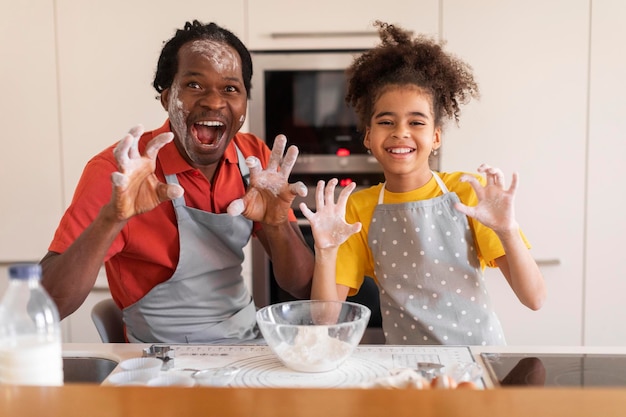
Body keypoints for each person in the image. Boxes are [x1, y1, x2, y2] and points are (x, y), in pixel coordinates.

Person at [40, 20, 314, 344]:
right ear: (168, 97)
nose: (214, 102)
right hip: (161, 362)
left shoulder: (254, 161)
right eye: (195, 85)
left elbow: (302, 286)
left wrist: (278, 223)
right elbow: (47, 306)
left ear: (243, 106)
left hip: (247, 347)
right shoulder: (120, 172)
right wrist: (112, 218)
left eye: (230, 88)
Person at [301, 21, 546, 346]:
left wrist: (507, 230)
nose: (401, 132)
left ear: (435, 137)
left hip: (479, 362)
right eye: (386, 121)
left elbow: (535, 299)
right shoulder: (359, 209)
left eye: (416, 122)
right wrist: (326, 251)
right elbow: (325, 319)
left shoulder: (467, 192)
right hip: (407, 371)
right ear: (369, 138)